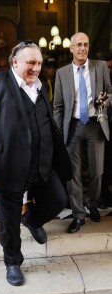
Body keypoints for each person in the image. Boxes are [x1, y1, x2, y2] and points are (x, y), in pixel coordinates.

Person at [0, 40, 72, 286]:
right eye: (31, 63)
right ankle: (12, 262)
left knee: (58, 199)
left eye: (40, 63)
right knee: (9, 220)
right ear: (15, 62)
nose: (36, 68)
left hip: (42, 164)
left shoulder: (41, 87)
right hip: (7, 166)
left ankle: (32, 220)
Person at [53, 32, 112, 234]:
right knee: (73, 175)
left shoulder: (100, 66)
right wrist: (59, 133)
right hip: (73, 126)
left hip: (96, 125)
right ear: (71, 48)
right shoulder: (62, 73)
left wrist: (105, 101)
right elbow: (58, 107)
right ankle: (78, 215)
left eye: (86, 44)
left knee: (97, 172)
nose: (83, 48)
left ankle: (92, 203)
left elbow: (110, 93)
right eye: (78, 45)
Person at [95, 51, 112, 209]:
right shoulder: (93, 79)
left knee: (108, 165)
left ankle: (106, 195)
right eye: (107, 67)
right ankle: (100, 197)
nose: (109, 70)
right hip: (99, 127)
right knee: (100, 166)